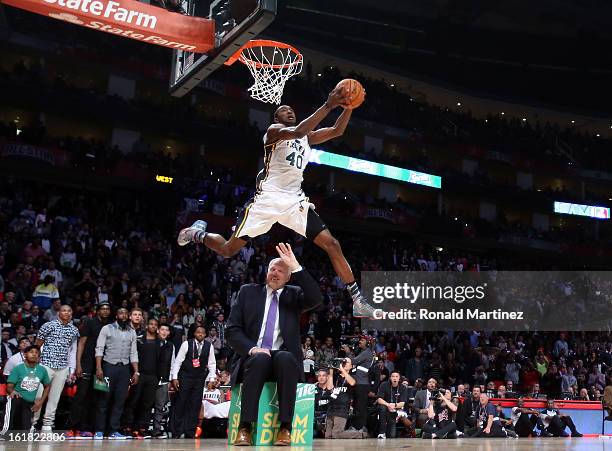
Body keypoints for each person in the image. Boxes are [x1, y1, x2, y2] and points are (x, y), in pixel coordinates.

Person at [177, 88, 375, 319]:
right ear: (276, 118)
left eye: (291, 110)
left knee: (332, 244)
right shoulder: (274, 132)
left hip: (294, 201)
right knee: (228, 250)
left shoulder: (307, 138)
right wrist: (329, 105)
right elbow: (299, 129)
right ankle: (197, 233)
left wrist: (348, 108)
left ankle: (357, 300)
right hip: (267, 201)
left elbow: (337, 130)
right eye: (284, 110)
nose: (289, 111)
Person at [226, 243, 322, 446]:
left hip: (282, 358)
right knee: (259, 358)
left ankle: (285, 427)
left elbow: (316, 298)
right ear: (266, 273)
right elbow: (232, 330)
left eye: (281, 270)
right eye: (272, 269)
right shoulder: (248, 292)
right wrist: (252, 348)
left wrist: (296, 266)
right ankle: (245, 427)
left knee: (287, 358)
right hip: (254, 356)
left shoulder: (294, 294)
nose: (275, 273)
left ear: (288, 277)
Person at [66, 301, 111, 439]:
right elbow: (81, 343)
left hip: (102, 367)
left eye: (107, 309)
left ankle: (87, 428)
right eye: (102, 309)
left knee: (96, 398)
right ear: (97, 311)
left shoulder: (111, 326)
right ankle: (72, 427)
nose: (105, 311)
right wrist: (78, 364)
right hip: (86, 363)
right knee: (81, 396)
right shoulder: (89, 323)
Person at [94, 307, 139, 440]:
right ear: (116, 315)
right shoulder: (107, 328)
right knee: (103, 400)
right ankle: (99, 430)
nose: (124, 315)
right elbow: (99, 348)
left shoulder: (132, 331)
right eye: (121, 313)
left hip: (124, 369)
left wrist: (136, 371)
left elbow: (133, 353)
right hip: (107, 367)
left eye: (126, 313)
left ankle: (114, 430)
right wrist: (98, 368)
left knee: (119, 401)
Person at [35, 304, 79, 432]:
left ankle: (47, 424)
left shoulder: (74, 330)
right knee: (38, 396)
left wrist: (71, 370)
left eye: (69, 311)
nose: (66, 313)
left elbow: (72, 351)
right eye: (63, 310)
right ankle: (33, 423)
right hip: (45, 365)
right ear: (58, 313)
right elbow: (37, 345)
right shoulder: (48, 326)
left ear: (71, 313)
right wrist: (36, 365)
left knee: (55, 398)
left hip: (62, 367)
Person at [169, 325, 216, 438]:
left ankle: (190, 432)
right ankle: (176, 431)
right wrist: (174, 377)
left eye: (202, 333)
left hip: (199, 378)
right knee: (181, 403)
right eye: (198, 332)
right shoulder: (186, 344)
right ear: (194, 333)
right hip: (185, 376)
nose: (200, 334)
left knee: (195, 405)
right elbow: (178, 361)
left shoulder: (209, 346)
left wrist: (211, 379)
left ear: (205, 335)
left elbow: (212, 364)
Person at [122, 318, 161, 438]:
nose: (153, 326)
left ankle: (141, 427)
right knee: (133, 401)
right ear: (147, 325)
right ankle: (127, 426)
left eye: (155, 324)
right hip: (140, 374)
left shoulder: (160, 342)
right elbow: (132, 356)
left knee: (147, 404)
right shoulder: (139, 340)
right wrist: (134, 373)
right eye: (151, 324)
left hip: (153, 377)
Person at [1, 346, 51, 435]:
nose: (34, 354)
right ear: (25, 355)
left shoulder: (42, 370)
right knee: (13, 401)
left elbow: (47, 386)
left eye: (36, 353)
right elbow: (9, 386)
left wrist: (40, 402)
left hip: (29, 403)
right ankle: (3, 432)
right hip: (16, 399)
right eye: (31, 352)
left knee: (24, 432)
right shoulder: (18, 368)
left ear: (39, 356)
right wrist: (12, 391)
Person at [325, 359, 365, 439]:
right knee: (328, 436)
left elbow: (352, 383)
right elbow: (329, 388)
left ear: (351, 366)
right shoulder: (335, 377)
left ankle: (360, 434)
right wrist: (331, 371)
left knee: (336, 434)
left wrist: (342, 369)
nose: (344, 363)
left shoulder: (353, 376)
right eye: (343, 362)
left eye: (347, 362)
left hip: (342, 409)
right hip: (331, 408)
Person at [345, 336, 374, 433]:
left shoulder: (367, 353)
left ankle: (360, 427)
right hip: (359, 383)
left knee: (360, 407)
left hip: (362, 384)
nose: (359, 342)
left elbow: (353, 361)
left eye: (362, 340)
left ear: (368, 343)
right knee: (357, 406)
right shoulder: (363, 352)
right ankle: (357, 426)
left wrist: (348, 352)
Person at [152, 323, 175, 439]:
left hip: (164, 380)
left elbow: (172, 363)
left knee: (160, 406)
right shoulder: (152, 343)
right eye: (162, 329)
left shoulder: (171, 345)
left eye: (167, 330)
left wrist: (171, 379)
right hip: (151, 378)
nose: (164, 332)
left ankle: (156, 430)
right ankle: (141, 429)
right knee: (145, 405)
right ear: (157, 331)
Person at [376, 370, 408, 439]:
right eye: (393, 376)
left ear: (399, 378)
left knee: (392, 435)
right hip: (385, 408)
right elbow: (379, 399)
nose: (394, 378)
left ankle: (387, 431)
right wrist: (388, 405)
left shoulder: (403, 387)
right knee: (382, 407)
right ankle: (382, 432)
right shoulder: (384, 385)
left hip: (395, 411)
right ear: (390, 378)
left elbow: (402, 403)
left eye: (396, 376)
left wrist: (394, 405)